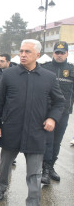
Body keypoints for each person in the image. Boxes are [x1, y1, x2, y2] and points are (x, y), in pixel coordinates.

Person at [0, 39, 65, 205]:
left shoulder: (48, 77)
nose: (23, 55)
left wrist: (52, 118)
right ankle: (1, 187)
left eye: (27, 52)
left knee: (34, 173)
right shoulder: (9, 74)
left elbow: (60, 102)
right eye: (21, 51)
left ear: (37, 55)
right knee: (5, 166)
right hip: (11, 129)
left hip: (36, 132)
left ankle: (33, 201)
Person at [40, 41, 74, 184]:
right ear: (53, 53)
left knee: (57, 142)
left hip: (64, 112)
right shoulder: (45, 67)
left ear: (67, 53)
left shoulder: (72, 70)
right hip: (47, 112)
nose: (59, 55)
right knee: (47, 141)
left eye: (62, 52)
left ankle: (51, 166)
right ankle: (45, 169)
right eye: (57, 52)